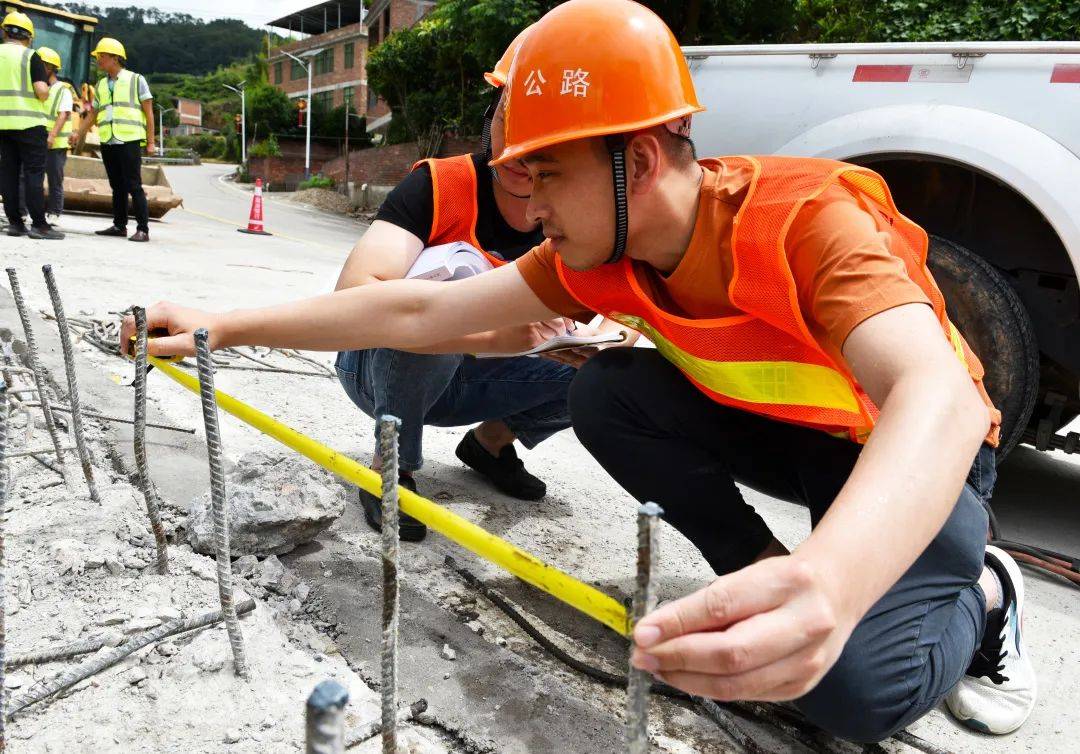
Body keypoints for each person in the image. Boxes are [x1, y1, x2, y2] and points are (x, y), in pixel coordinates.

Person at [124, 0, 1034, 741]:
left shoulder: (805, 217)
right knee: (607, 391)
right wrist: (221, 324)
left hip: (913, 456)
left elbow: (939, 399)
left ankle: (987, 593)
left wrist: (832, 583)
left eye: (546, 174)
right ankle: (758, 570)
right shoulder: (599, 254)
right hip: (785, 435)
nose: (527, 202)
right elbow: (413, 309)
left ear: (635, 159)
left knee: (848, 701)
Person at [333, 26, 631, 540]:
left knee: (619, 372)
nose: (522, 150)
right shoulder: (440, 186)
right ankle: (391, 466)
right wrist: (495, 335)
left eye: (549, 136)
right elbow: (359, 296)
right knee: (425, 316)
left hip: (480, 379)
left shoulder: (591, 215)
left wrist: (599, 337)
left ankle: (490, 444)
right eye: (510, 122)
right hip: (384, 370)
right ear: (489, 116)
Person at [72, 37, 155, 242]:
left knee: (133, 185)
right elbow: (93, 114)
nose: (98, 59)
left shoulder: (136, 80)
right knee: (116, 185)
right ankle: (119, 226)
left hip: (129, 140)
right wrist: (78, 133)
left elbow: (149, 112)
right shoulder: (101, 84)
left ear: (115, 58)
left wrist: (151, 141)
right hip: (108, 140)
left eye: (102, 56)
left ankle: (143, 229)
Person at [0, 11, 63, 240]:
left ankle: (15, 224)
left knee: (8, 174)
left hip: (3, 124)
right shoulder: (30, 56)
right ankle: (39, 225)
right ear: (29, 36)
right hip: (29, 124)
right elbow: (42, 90)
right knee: (34, 174)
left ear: (5, 31)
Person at [37, 46, 72, 227]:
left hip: (55, 144)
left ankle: (54, 212)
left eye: (39, 65)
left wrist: (52, 136)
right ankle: (29, 210)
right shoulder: (39, 88)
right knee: (32, 178)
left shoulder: (62, 90)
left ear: (49, 68)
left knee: (54, 179)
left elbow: (63, 114)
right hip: (37, 141)